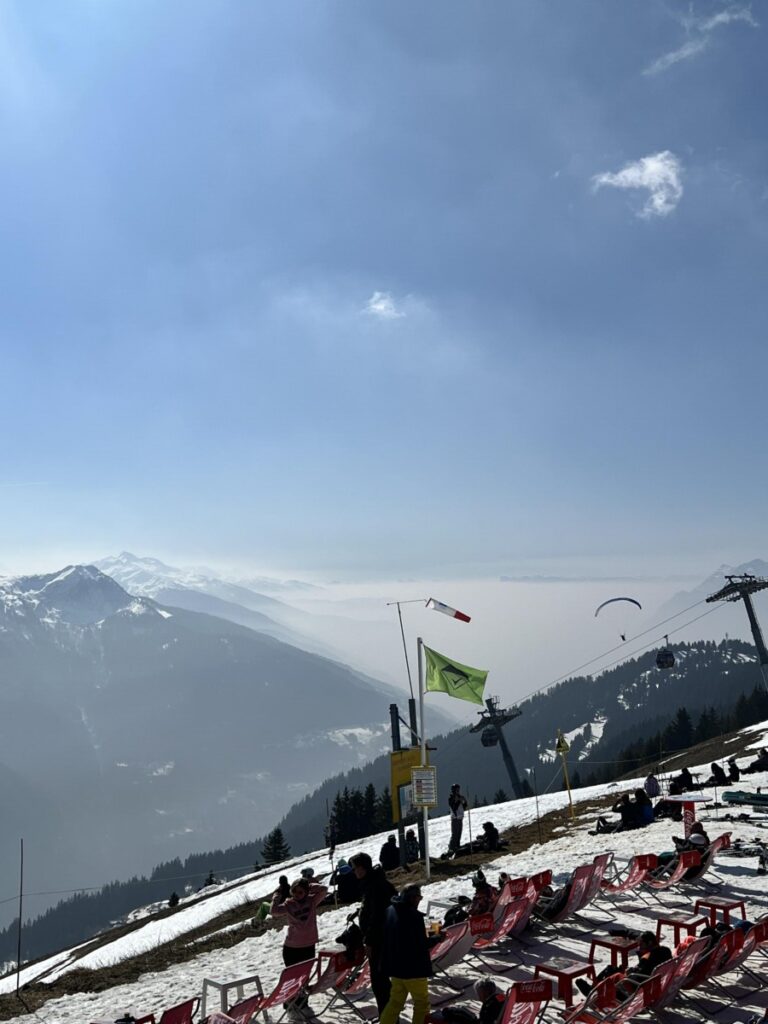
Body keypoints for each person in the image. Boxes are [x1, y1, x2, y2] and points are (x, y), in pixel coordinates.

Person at [379, 883, 442, 1024]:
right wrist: (438, 937)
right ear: (413, 898)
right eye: (419, 898)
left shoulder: (390, 910)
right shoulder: (414, 917)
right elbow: (422, 944)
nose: (419, 901)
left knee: (395, 1002)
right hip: (413, 970)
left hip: (395, 968)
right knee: (421, 1004)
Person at [270, 876, 328, 1013]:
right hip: (292, 948)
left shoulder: (312, 901)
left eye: (301, 892)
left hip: (308, 945)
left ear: (306, 892)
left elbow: (324, 889)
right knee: (293, 978)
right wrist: (276, 896)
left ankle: (302, 1003)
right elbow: (274, 911)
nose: (297, 895)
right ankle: (290, 1002)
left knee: (305, 976)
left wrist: (311, 886)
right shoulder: (289, 904)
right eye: (294, 891)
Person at [350, 851, 397, 1014]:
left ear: (363, 868)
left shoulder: (373, 886)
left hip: (378, 941)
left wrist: (369, 941)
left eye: (355, 868)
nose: (354, 871)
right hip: (384, 937)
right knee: (382, 982)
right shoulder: (377, 881)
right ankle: (389, 1014)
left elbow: (377, 916)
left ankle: (388, 1016)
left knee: (380, 983)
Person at [576, 931, 671, 1000]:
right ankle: (595, 988)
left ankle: (594, 992)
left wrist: (630, 972)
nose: (639, 946)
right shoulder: (666, 950)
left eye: (641, 944)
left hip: (639, 988)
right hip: (657, 984)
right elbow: (646, 970)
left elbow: (638, 979)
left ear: (650, 943)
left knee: (613, 973)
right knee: (613, 969)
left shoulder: (647, 958)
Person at [448, 784, 468, 852]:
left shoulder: (460, 797)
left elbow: (464, 807)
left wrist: (464, 801)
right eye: (457, 789)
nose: (458, 791)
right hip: (455, 818)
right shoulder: (451, 798)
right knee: (455, 835)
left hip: (460, 818)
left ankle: (457, 847)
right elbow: (454, 808)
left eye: (458, 789)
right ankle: (451, 849)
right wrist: (459, 801)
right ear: (454, 790)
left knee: (459, 834)